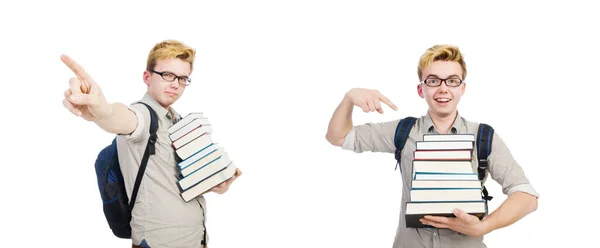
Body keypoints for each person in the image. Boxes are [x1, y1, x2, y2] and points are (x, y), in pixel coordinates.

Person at [324, 44, 538, 248]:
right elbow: (338, 137)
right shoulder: (403, 131)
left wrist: (483, 226)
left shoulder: (484, 136)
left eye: (452, 81)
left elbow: (526, 196)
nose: (443, 89)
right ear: (421, 89)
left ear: (462, 88)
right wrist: (349, 98)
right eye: (433, 81)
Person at [61, 39, 242, 248]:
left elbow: (171, 182)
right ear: (147, 77)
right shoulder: (143, 115)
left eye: (183, 78)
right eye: (167, 75)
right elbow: (122, 118)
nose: (175, 84)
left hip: (195, 240)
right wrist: (102, 111)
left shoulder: (177, 121)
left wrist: (214, 182)